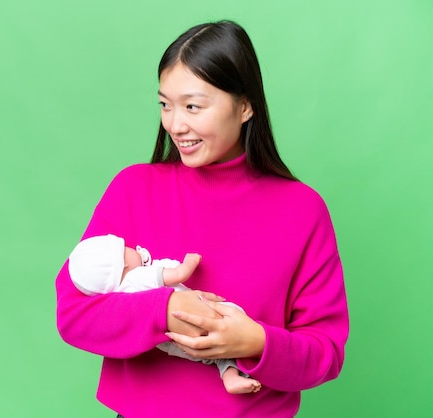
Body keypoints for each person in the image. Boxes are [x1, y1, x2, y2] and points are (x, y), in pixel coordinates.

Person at [56, 19, 349, 417]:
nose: (176, 125)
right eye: (165, 104)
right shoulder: (132, 190)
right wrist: (164, 311)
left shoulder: (303, 210)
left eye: (193, 106)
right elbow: (74, 315)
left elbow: (325, 353)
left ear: (245, 106)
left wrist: (255, 343)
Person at [67, 233, 262, 394]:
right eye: (126, 249)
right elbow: (179, 275)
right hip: (200, 315)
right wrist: (190, 260)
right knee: (232, 319)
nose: (132, 247)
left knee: (211, 355)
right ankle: (231, 375)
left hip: (170, 342)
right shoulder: (141, 276)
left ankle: (230, 377)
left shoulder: (120, 295)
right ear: (123, 264)